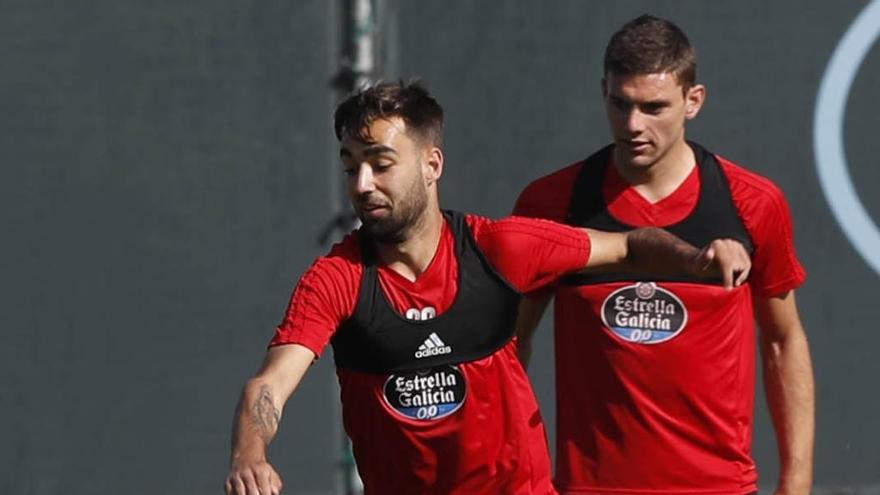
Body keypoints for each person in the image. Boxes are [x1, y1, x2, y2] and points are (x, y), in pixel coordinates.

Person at [224, 81, 750, 495]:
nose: (363, 185)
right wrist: (251, 455)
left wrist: (696, 258)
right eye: (351, 167)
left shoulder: (501, 248)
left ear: (432, 165)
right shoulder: (336, 280)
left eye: (381, 164)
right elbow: (268, 385)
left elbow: (631, 246)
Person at [513, 14, 815, 495]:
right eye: (620, 104)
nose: (633, 125)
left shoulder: (753, 203)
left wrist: (796, 482)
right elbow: (509, 346)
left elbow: (782, 340)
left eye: (653, 107)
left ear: (693, 101)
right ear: (603, 93)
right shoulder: (551, 204)